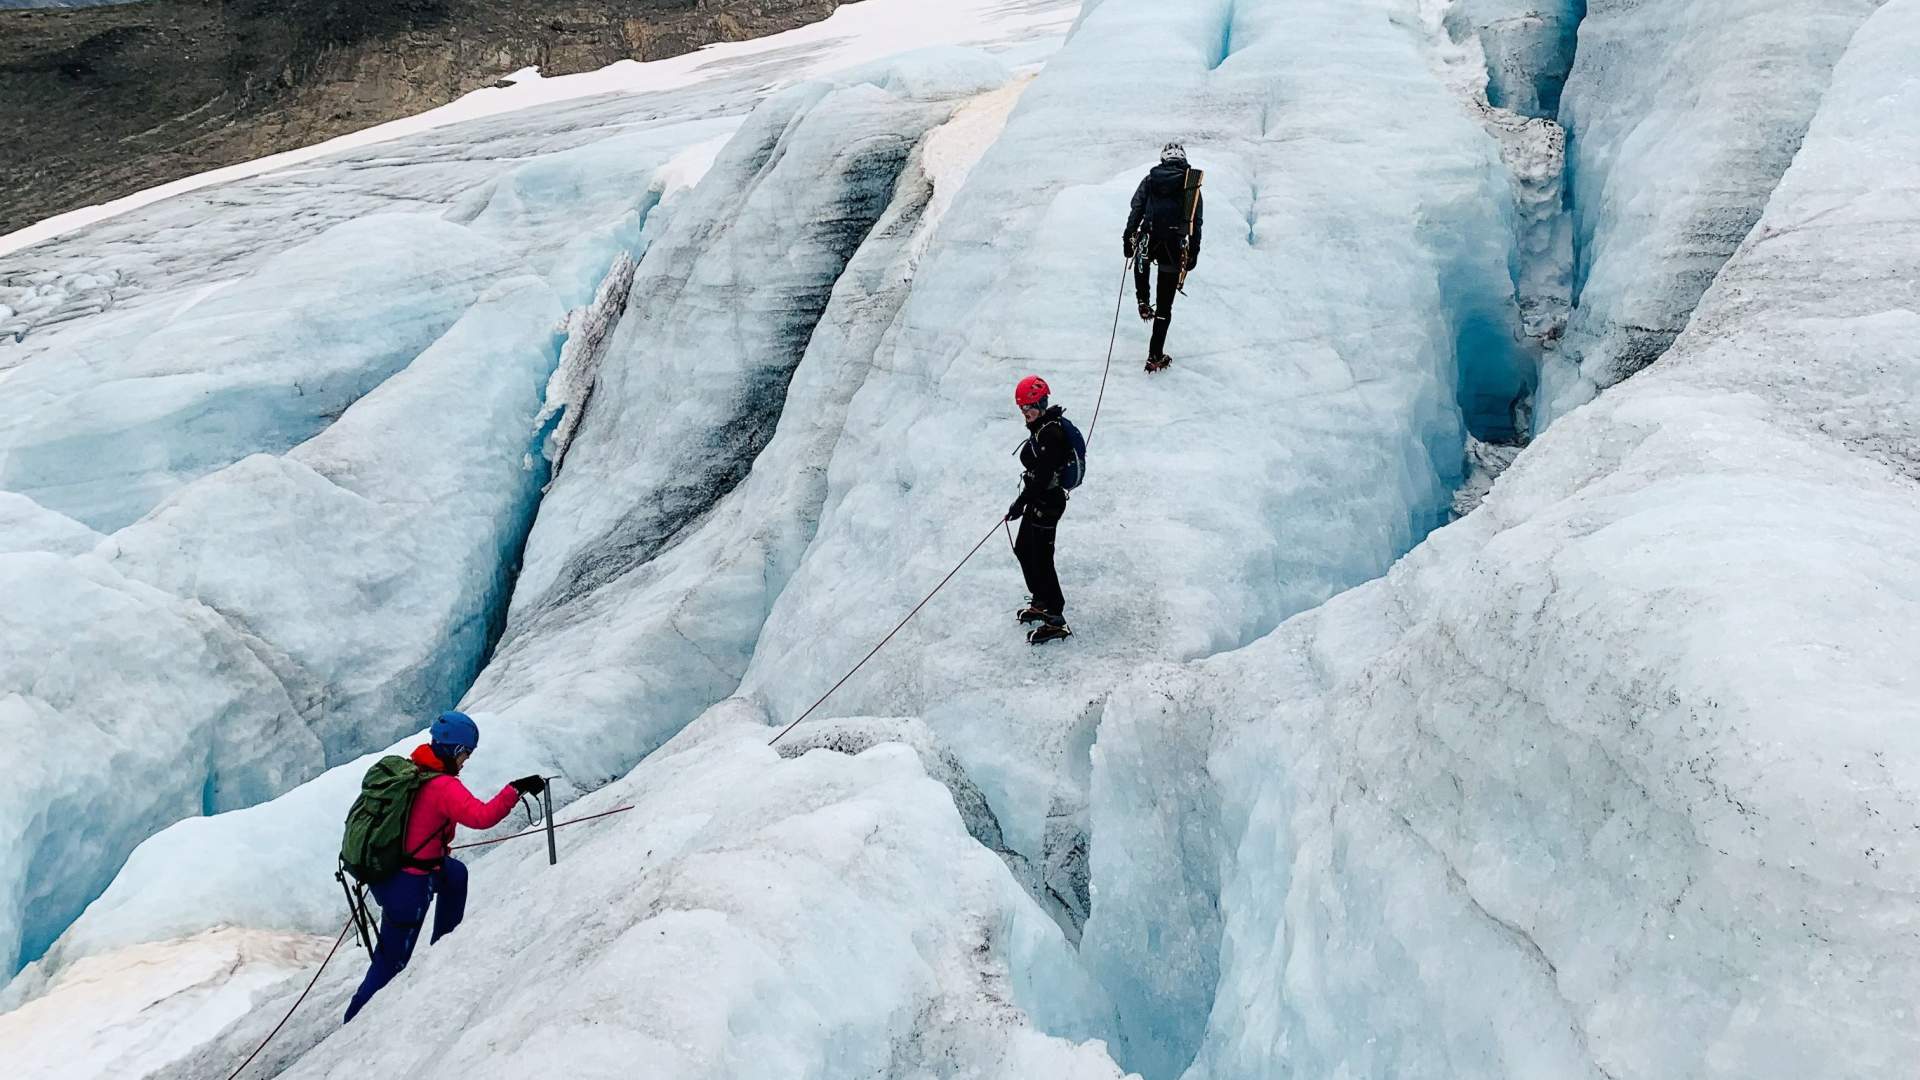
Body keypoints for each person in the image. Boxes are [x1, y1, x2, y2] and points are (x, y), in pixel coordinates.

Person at [343, 711, 545, 1022]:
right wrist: (514, 790)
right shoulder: (442, 787)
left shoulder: (412, 771)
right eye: (466, 753)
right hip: (410, 885)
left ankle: (443, 950)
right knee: (390, 964)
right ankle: (353, 1025)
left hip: (392, 874)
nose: (466, 761)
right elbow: (482, 817)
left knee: (455, 874)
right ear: (453, 749)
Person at [1006, 375, 1079, 645]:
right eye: (1023, 409)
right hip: (1038, 500)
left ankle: (1055, 617)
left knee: (1043, 558)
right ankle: (1040, 600)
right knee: (1024, 548)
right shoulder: (1041, 426)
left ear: (1042, 402)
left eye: (1030, 407)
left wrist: (1020, 503)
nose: (1026, 414)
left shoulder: (1051, 433)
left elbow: (1043, 476)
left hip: (1047, 504)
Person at [1123, 142, 1204, 372]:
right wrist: (1194, 252)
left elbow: (1136, 208)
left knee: (1142, 262)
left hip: (1148, 239)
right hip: (1173, 246)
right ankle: (1155, 355)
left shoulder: (1150, 180)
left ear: (1163, 159)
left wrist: (1128, 237)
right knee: (1165, 307)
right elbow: (1195, 222)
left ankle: (1142, 301)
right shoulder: (1191, 184)